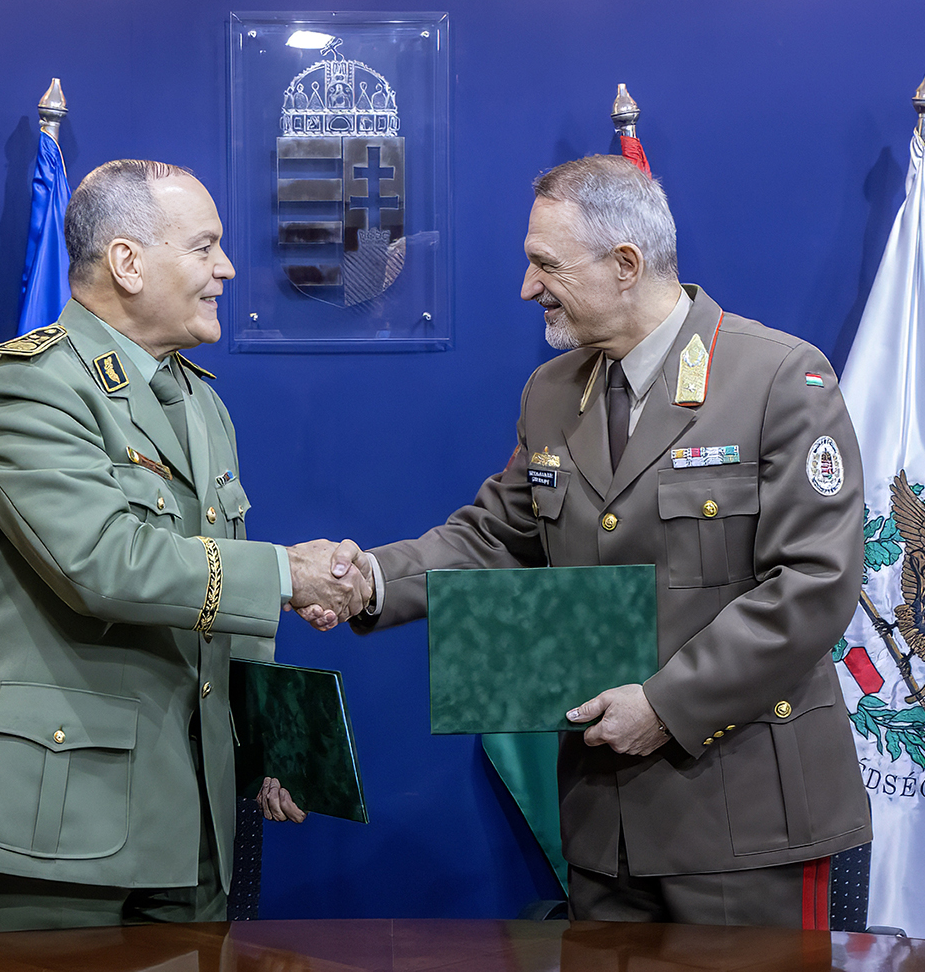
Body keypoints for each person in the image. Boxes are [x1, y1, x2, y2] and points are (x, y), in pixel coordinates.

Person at [316, 155, 871, 926]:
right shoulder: (551, 393)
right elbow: (494, 536)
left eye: (546, 264)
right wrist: (369, 579)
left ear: (625, 264)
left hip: (746, 822)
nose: (528, 287)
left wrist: (667, 704)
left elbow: (814, 585)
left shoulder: (779, 379)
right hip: (602, 829)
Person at [0, 159, 369, 930]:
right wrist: (287, 574)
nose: (227, 269)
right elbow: (103, 564)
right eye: (204, 247)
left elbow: (217, 596)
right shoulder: (32, 385)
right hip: (58, 818)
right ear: (128, 262)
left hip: (194, 812)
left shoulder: (200, 401)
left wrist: (269, 742)